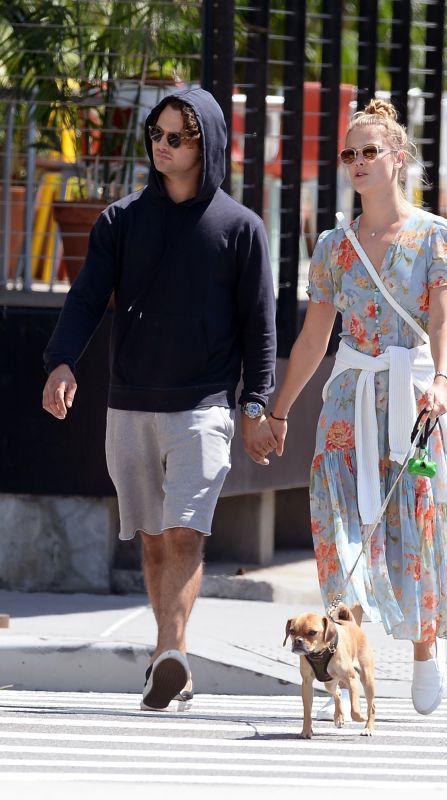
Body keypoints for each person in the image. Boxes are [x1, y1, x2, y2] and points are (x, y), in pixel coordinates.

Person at [42, 88, 277, 711]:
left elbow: (260, 327)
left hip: (202, 408)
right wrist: (62, 361)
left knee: (184, 530)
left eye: (177, 137)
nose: (163, 147)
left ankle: (170, 649)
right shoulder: (121, 221)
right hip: (129, 404)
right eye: (158, 135)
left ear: (208, 146)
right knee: (150, 536)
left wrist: (257, 405)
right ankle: (166, 656)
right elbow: (88, 296)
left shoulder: (241, 229)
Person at [267, 98, 447, 717]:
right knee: (336, 524)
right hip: (347, 399)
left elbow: (444, 323)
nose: (358, 162)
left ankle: (424, 643)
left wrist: (441, 381)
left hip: (411, 400)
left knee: (414, 521)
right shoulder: (334, 246)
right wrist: (278, 411)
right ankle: (344, 654)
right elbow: (313, 339)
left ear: (399, 159)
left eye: (370, 151)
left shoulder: (436, 235)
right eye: (349, 154)